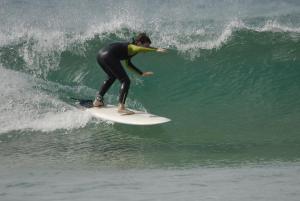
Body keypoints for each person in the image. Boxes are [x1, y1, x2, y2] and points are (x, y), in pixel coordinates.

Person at [93, 33, 166, 114]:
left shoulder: (130, 50)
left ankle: (98, 100)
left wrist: (141, 73)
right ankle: (121, 107)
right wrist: (156, 49)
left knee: (111, 77)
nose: (147, 48)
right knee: (125, 81)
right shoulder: (132, 47)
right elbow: (139, 49)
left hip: (100, 56)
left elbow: (128, 64)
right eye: (146, 45)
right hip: (108, 55)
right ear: (139, 43)